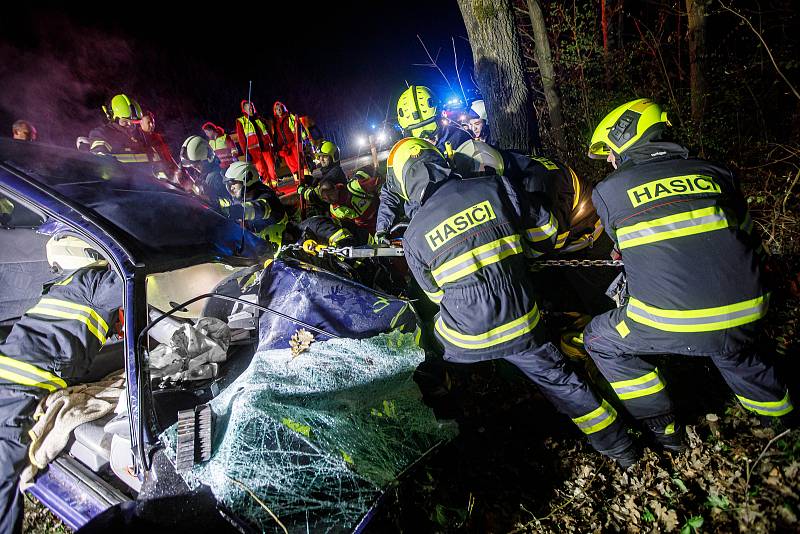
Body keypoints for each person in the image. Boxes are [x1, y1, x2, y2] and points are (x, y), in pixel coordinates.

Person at [390, 137, 638, 467]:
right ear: (443, 162)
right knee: (563, 383)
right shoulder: (496, 186)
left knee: (425, 349)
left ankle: (454, 437)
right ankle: (623, 451)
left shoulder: (413, 234)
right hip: (522, 324)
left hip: (465, 340)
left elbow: (436, 295)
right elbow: (546, 232)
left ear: (406, 184)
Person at [582, 98, 793, 451]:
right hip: (749, 308)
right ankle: (785, 427)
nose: (608, 159)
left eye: (608, 150)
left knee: (599, 339)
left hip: (672, 320)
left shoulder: (610, 190)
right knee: (735, 348)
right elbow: (746, 240)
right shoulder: (717, 172)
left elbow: (623, 247)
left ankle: (666, 435)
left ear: (626, 136)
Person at [0, 262, 122, 534]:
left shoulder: (71, 282)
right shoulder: (100, 288)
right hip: (17, 391)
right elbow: (139, 281)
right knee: (3, 481)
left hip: (9, 375)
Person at [374, 85, 473, 245]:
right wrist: (382, 228)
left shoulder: (460, 139)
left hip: (466, 217)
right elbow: (390, 193)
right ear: (406, 132)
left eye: (430, 128)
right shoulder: (404, 154)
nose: (426, 137)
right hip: (426, 230)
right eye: (417, 132)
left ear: (440, 119)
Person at [222, 161, 288, 251]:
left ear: (247, 179)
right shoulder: (239, 199)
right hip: (256, 250)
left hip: (281, 245)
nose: (230, 187)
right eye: (228, 184)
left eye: (233, 183)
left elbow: (260, 208)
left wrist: (234, 211)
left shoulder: (266, 195)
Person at [86, 94, 153, 164]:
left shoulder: (140, 135)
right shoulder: (102, 133)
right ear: (115, 119)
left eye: (133, 122)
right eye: (125, 121)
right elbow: (100, 159)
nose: (130, 124)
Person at [179, 135, 231, 210]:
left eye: (197, 165)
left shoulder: (217, 176)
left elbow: (230, 200)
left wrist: (211, 200)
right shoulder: (203, 174)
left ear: (208, 158)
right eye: (192, 165)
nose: (195, 168)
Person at [235, 100, 278, 186]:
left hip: (266, 148)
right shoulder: (241, 121)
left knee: (271, 169)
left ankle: (275, 188)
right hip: (254, 151)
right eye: (248, 108)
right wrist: (246, 153)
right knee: (262, 171)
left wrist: (272, 145)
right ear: (244, 110)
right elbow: (242, 140)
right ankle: (268, 189)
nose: (250, 109)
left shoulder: (259, 119)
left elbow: (268, 132)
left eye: (251, 107)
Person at [140, 111, 181, 183]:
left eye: (153, 122)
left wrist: (177, 170)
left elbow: (167, 156)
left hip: (164, 175)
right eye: (148, 122)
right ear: (140, 123)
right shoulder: (138, 139)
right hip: (148, 178)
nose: (152, 125)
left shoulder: (157, 137)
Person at [272, 101, 305, 179]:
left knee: (299, 161)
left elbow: (297, 129)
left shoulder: (290, 117)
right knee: (291, 164)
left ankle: (305, 177)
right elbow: (278, 137)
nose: (279, 110)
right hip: (286, 147)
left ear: (283, 108)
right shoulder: (276, 123)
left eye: (280, 108)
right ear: (275, 111)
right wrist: (280, 148)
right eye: (277, 109)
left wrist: (299, 141)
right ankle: (298, 180)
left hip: (294, 143)